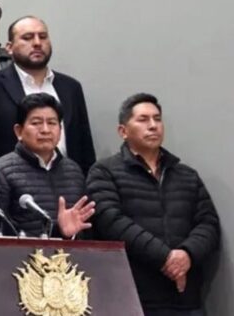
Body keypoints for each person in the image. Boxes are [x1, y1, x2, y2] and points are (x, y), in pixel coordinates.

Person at [87, 93, 220, 316]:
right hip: (133, 296)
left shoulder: (186, 175)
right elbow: (111, 221)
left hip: (185, 296)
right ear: (123, 131)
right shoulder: (104, 172)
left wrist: (186, 255)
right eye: (143, 119)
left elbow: (208, 223)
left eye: (157, 119)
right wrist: (165, 258)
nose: (153, 126)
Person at [0, 15, 95, 173]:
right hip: (10, 185)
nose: (37, 43)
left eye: (43, 37)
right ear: (9, 48)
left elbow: (84, 145)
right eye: (27, 38)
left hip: (67, 183)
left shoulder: (70, 87)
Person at [0, 93, 95, 239]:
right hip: (21, 259)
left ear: (60, 131)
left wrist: (64, 232)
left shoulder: (74, 171)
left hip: (69, 259)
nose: (45, 130)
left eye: (52, 123)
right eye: (36, 123)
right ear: (19, 131)